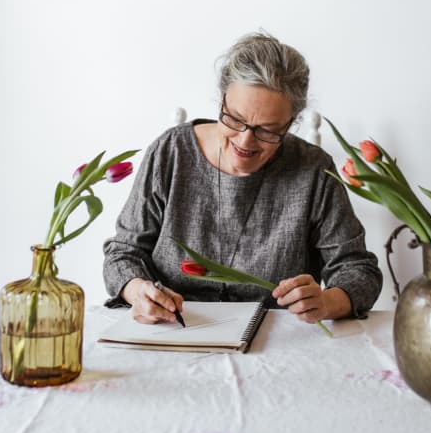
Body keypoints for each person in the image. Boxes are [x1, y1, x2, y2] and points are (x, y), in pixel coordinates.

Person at [103, 32, 383, 325]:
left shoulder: (312, 170)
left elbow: (358, 270)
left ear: (291, 123)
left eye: (268, 130)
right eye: (235, 119)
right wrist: (137, 291)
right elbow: (123, 254)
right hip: (174, 331)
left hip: (274, 342)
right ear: (222, 98)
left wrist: (327, 302)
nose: (246, 141)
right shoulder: (171, 153)